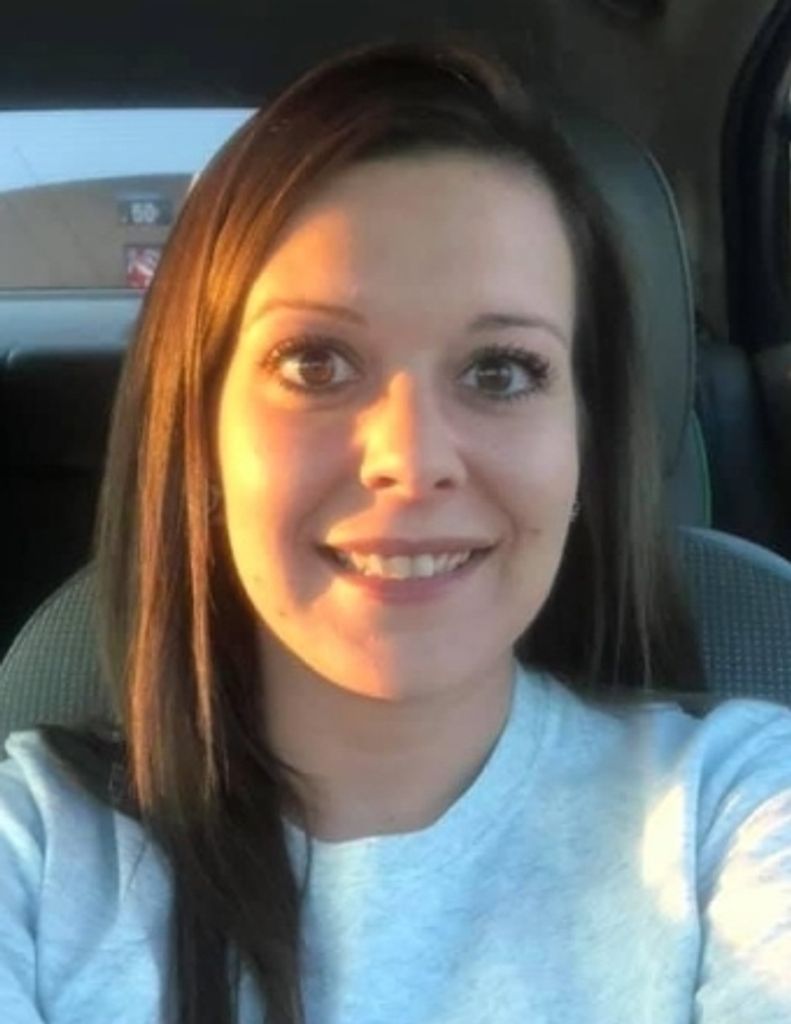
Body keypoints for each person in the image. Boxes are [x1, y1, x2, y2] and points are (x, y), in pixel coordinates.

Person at [1, 42, 790, 1024]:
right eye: (315, 364)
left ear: (583, 447)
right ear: (198, 436)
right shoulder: (31, 848)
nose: (410, 461)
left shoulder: (737, 813)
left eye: (499, 371)